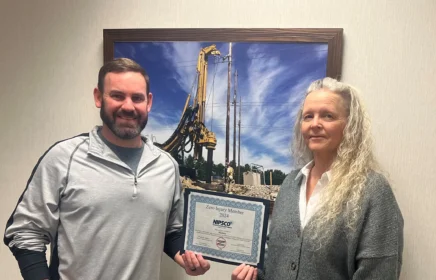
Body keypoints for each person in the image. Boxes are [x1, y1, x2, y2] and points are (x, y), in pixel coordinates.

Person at [4, 58, 210, 280]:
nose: (128, 106)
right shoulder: (64, 157)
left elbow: (172, 230)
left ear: (148, 102)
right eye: (117, 96)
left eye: (137, 98)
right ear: (98, 97)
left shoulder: (167, 165)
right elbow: (24, 230)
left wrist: (187, 257)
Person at [232, 77, 404, 280]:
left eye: (328, 116)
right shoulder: (290, 184)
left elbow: (379, 272)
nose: (315, 124)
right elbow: (274, 259)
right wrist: (251, 276)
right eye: (308, 116)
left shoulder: (373, 190)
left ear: (350, 125)